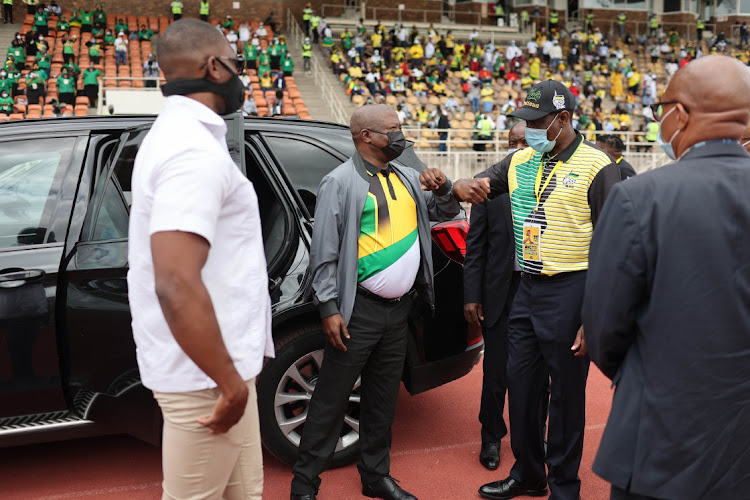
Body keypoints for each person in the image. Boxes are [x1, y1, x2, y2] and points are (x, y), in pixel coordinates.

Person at [289, 104, 486, 500]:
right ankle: (304, 485)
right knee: (330, 400)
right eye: (394, 128)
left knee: (381, 398)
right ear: (367, 136)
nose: (401, 134)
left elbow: (444, 212)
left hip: (400, 311)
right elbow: (324, 252)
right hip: (357, 311)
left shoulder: (408, 176)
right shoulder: (340, 182)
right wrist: (328, 307)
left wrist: (445, 187)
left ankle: (375, 476)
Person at [582, 55, 750, 500]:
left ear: (683, 114)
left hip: (660, 436)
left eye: (663, 109)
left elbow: (603, 327)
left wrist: (646, 373)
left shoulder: (640, 198)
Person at [129, 19, 272, 500]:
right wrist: (229, 384)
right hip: (207, 377)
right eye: (238, 64)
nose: (242, 77)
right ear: (214, 67)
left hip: (223, 366)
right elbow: (176, 281)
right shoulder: (190, 150)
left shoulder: (186, 138)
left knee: (245, 492)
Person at [476, 80, 621, 500]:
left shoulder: (598, 166)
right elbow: (482, 183)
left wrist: (592, 316)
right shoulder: (521, 159)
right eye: (526, 121)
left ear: (563, 119)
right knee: (519, 385)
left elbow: (612, 245)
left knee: (566, 398)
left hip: (573, 289)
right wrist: (456, 186)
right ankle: (528, 473)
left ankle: (563, 486)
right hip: (527, 287)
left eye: (538, 122)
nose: (531, 129)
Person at [464, 122, 529, 472]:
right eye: (512, 142)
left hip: (539, 291)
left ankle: (533, 435)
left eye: (524, 140)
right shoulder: (486, 185)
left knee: (538, 373)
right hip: (500, 293)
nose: (518, 147)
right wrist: (471, 296)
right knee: (496, 372)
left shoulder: (549, 182)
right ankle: (491, 436)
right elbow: (475, 248)